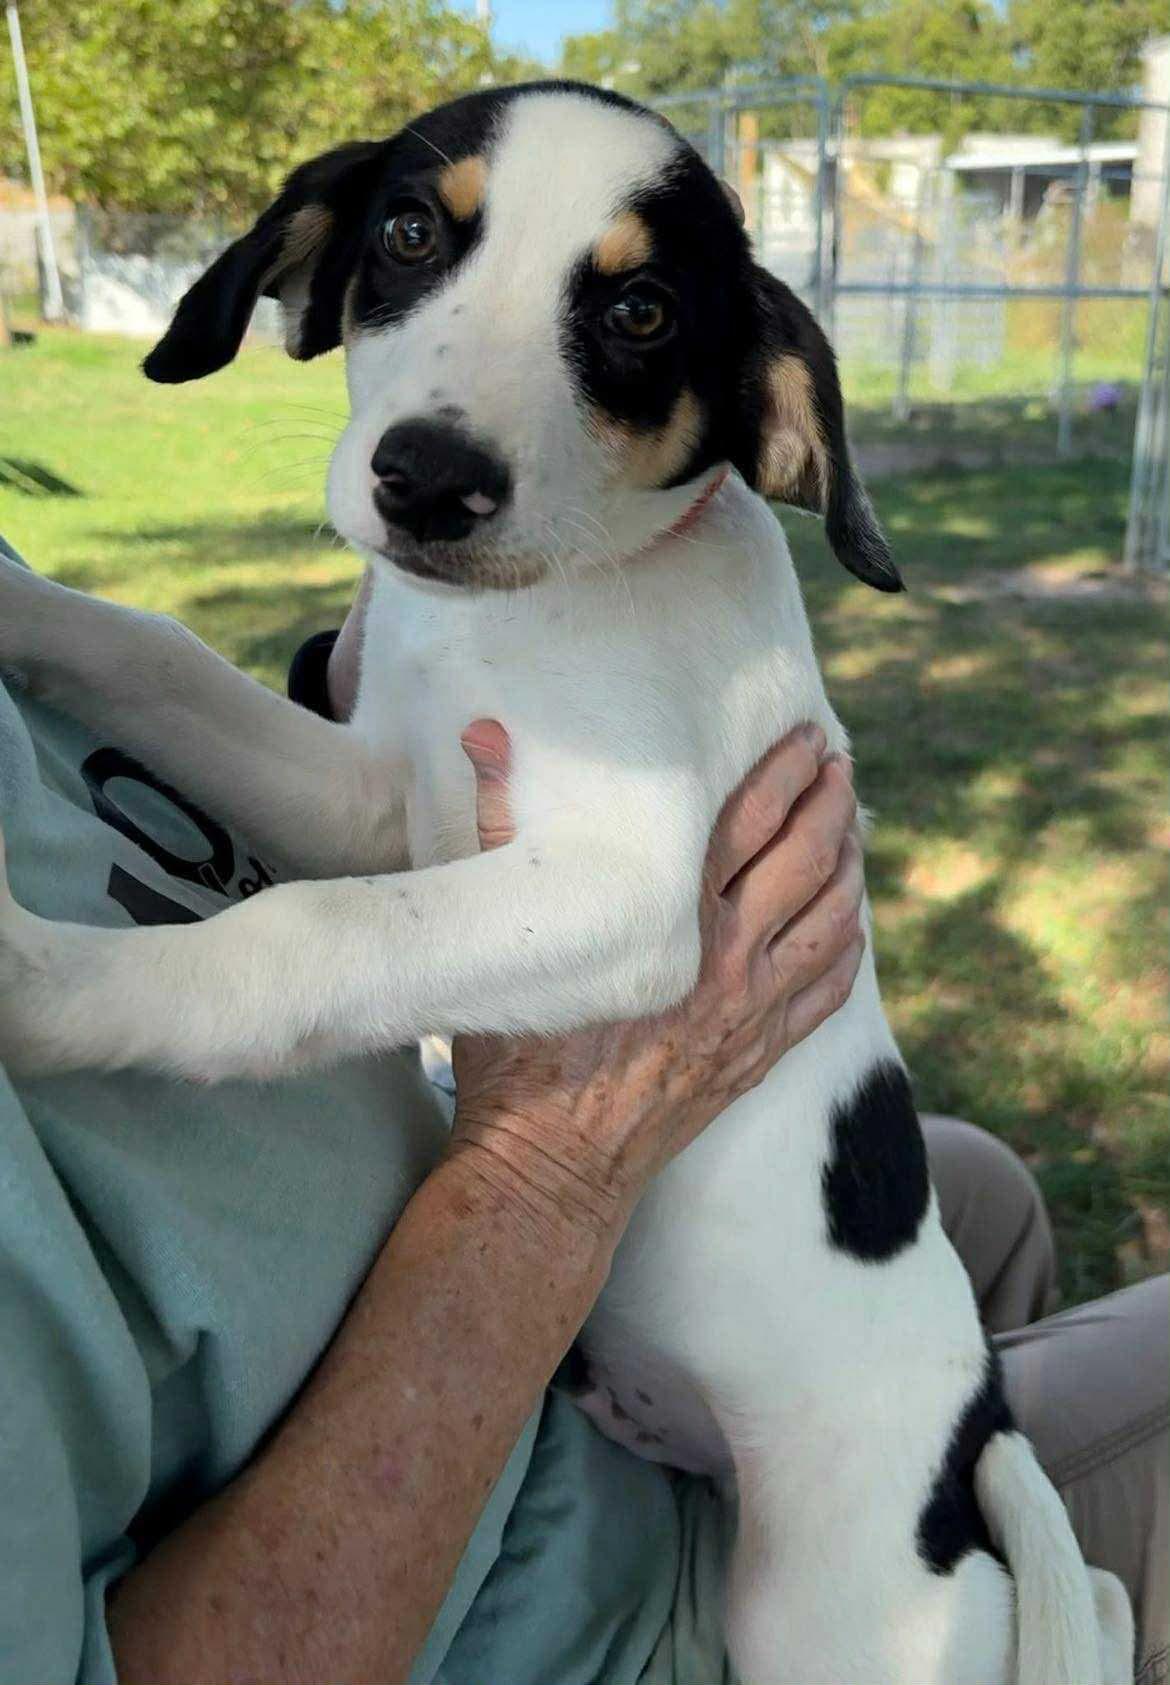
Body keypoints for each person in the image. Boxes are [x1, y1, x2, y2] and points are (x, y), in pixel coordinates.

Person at [0, 533, 1165, 1685]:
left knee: (980, 1199)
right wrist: (547, 1169)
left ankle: (943, 1479)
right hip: (595, 1583)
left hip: (598, 1334)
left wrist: (386, 696)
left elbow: (372, 814)